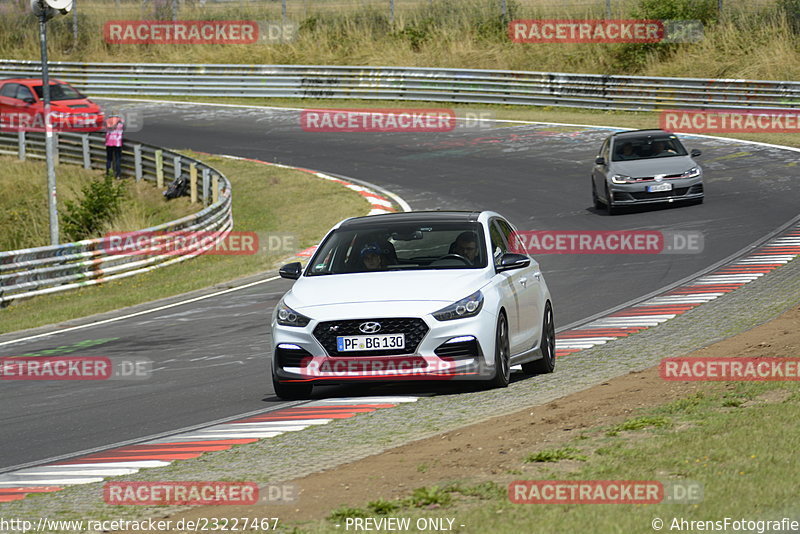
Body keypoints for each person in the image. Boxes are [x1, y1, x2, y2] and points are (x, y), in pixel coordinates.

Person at [105, 114, 124, 179]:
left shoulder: (107, 121)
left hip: (109, 143)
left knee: (109, 159)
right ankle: (118, 175)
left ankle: (108, 174)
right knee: (117, 159)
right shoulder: (121, 122)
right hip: (117, 143)